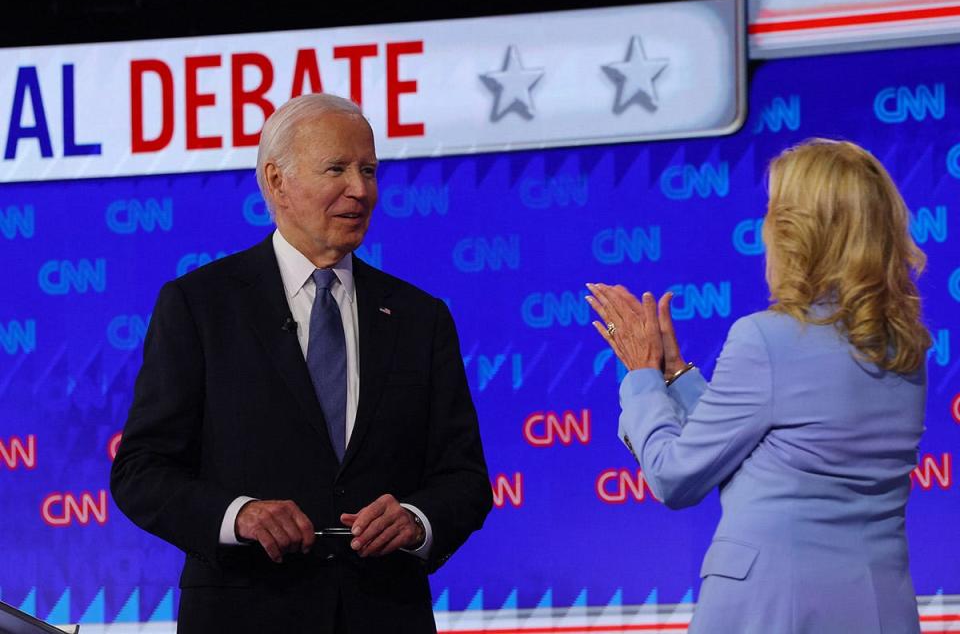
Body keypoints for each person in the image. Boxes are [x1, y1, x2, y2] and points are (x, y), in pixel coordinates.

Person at [111, 93, 492, 633]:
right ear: (276, 181)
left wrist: (416, 519)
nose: (360, 190)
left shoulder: (419, 317)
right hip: (245, 614)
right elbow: (141, 471)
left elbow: (465, 479)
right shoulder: (200, 306)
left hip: (384, 616)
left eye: (368, 170)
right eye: (336, 169)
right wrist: (237, 515)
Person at [586, 138, 929, 633]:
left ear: (798, 232)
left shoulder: (767, 339)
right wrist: (678, 376)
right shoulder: (903, 349)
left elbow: (674, 477)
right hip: (877, 611)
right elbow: (776, 453)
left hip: (773, 611)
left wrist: (641, 375)